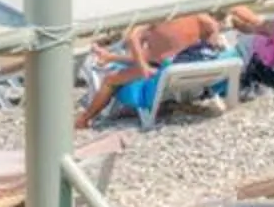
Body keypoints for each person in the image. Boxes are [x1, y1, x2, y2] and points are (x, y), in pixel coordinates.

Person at [77, 11, 228, 128]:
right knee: (148, 57)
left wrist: (143, 68)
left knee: (109, 80)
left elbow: (132, 38)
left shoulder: (159, 17)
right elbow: (212, 26)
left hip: (162, 70)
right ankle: (109, 57)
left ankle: (84, 119)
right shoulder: (196, 16)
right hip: (187, 66)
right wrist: (209, 45)